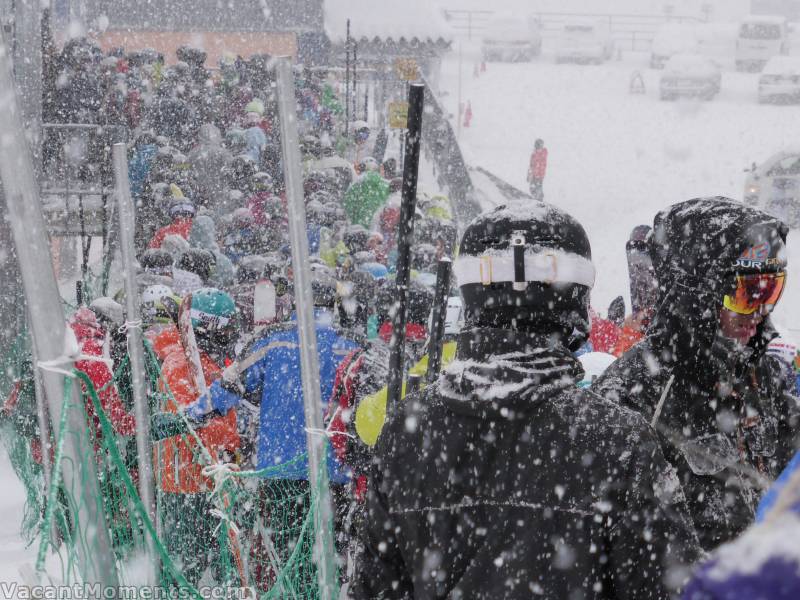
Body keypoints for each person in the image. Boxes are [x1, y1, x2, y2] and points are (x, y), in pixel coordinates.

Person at [351, 202, 701, 599]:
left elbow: (375, 588)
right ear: (574, 299)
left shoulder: (406, 431)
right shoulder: (617, 441)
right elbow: (673, 588)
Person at [592, 197, 799, 552]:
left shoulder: (762, 379)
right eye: (747, 293)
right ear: (700, 294)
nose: (760, 311)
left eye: (771, 291)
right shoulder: (630, 396)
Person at [184, 273, 360, 593]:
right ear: (333, 305)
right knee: (329, 560)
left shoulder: (272, 340)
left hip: (281, 471)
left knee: (280, 555)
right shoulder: (348, 346)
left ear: (293, 302)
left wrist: (190, 415)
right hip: (334, 473)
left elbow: (228, 386)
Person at [151, 288, 240, 586]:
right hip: (186, 485)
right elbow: (191, 426)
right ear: (207, 327)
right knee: (185, 570)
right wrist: (234, 439)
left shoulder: (209, 364)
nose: (231, 336)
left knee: (222, 565)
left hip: (211, 480)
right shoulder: (180, 366)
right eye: (227, 328)